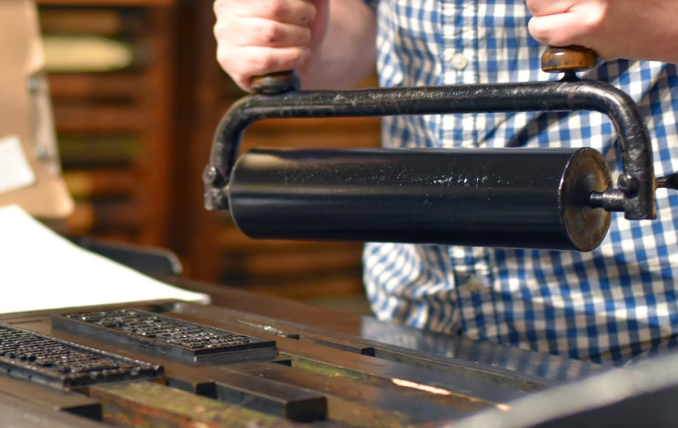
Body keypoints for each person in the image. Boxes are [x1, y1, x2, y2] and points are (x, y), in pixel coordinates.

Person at [212, 0, 678, 365]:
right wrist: (286, 38)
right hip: (419, 323)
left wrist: (661, 20)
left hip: (647, 326)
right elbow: (367, 27)